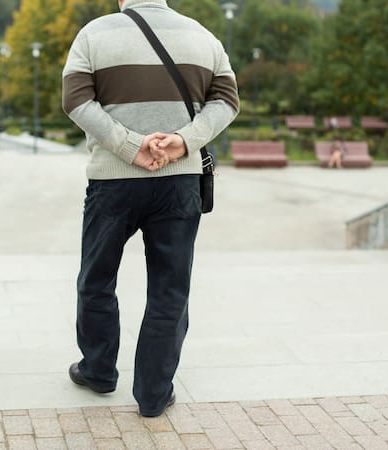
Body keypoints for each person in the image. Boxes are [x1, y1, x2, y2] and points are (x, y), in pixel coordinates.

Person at [62, 0, 238, 417]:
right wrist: (184, 141)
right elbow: (228, 100)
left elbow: (75, 101)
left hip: (113, 182)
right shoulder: (203, 36)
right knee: (169, 289)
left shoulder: (94, 34)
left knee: (97, 278)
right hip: (180, 182)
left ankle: (99, 371)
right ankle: (154, 395)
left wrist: (129, 146)